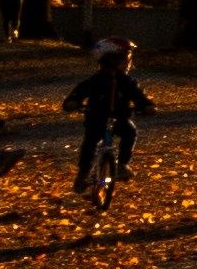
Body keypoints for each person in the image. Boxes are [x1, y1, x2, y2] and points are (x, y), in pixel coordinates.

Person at [65, 36, 151, 206]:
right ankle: (83, 173)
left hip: (119, 119)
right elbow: (79, 93)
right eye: (126, 60)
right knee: (89, 144)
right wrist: (72, 102)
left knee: (130, 132)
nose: (128, 64)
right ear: (111, 60)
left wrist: (147, 105)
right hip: (97, 119)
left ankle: (122, 164)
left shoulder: (127, 82)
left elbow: (138, 96)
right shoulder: (95, 81)